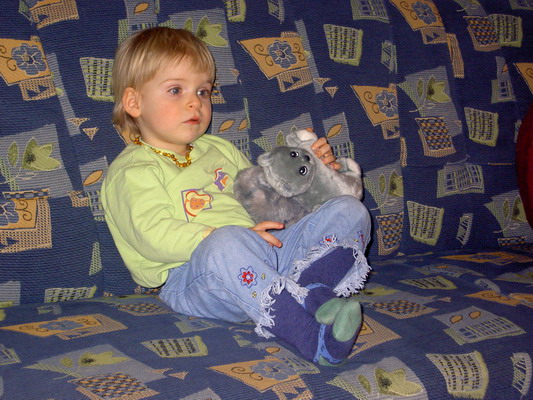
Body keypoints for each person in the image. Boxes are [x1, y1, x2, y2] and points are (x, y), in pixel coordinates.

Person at [101, 27, 371, 366]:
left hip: (268, 257)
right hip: (194, 277)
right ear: (134, 102)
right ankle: (310, 335)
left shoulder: (220, 149)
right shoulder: (132, 170)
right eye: (175, 90)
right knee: (226, 242)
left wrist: (317, 176)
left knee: (350, 210)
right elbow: (151, 235)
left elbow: (268, 207)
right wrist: (223, 235)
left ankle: (311, 294)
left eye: (203, 91)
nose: (195, 102)